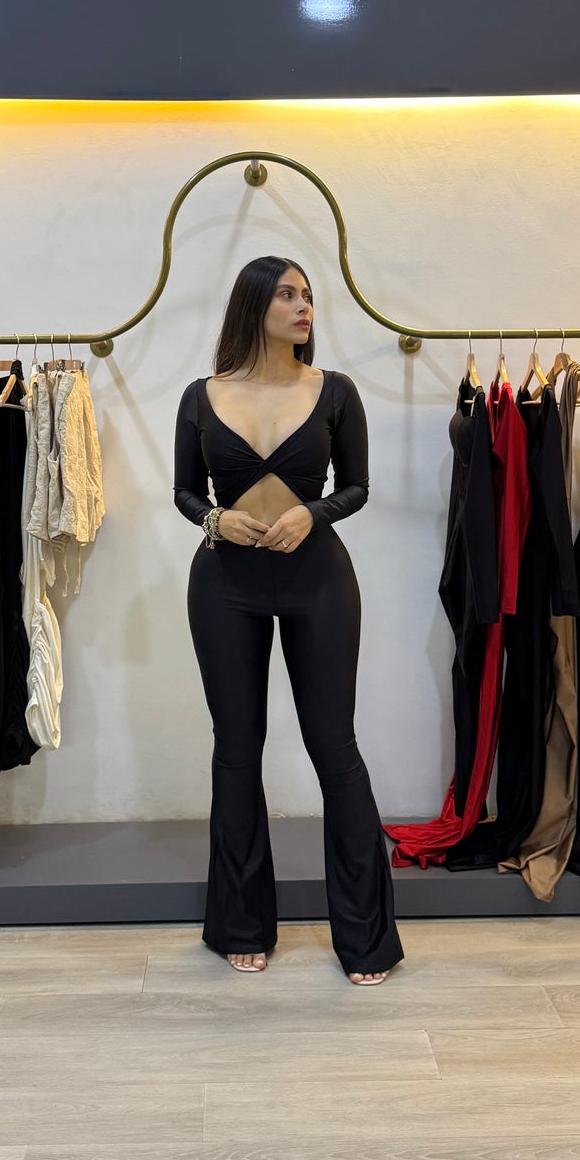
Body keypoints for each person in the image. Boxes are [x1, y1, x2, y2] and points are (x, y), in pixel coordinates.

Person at [173, 255, 404, 985]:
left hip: (318, 581)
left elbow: (357, 485)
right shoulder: (202, 395)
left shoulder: (335, 390)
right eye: (287, 294)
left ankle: (365, 939)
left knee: (335, 747)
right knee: (237, 749)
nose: (304, 306)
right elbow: (183, 491)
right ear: (254, 306)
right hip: (225, 584)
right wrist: (214, 518)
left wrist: (313, 513)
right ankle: (241, 925)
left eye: (307, 295)